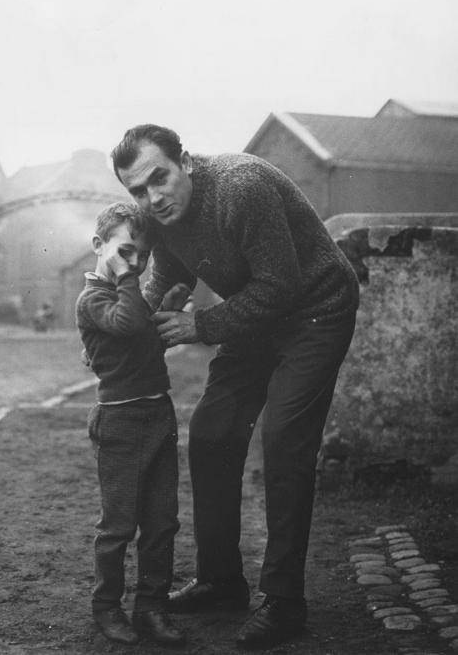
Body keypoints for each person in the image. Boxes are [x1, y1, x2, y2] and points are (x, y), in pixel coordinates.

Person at [109, 124, 360, 650]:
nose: (152, 197)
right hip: (257, 317)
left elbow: (279, 286)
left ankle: (285, 602)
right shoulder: (161, 216)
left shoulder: (241, 188)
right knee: (212, 434)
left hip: (315, 311)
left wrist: (200, 328)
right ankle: (222, 582)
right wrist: (123, 333)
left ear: (187, 164)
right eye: (137, 190)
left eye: (160, 178)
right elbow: (164, 279)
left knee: (286, 440)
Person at [75, 201, 191, 646]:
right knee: (119, 527)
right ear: (98, 245)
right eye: (125, 252)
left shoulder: (131, 295)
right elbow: (124, 324)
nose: (136, 264)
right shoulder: (93, 299)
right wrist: (130, 283)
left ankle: (151, 607)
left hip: (158, 416)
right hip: (120, 422)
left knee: (162, 523)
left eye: (143, 256)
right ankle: (107, 608)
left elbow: (143, 346)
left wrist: (163, 307)